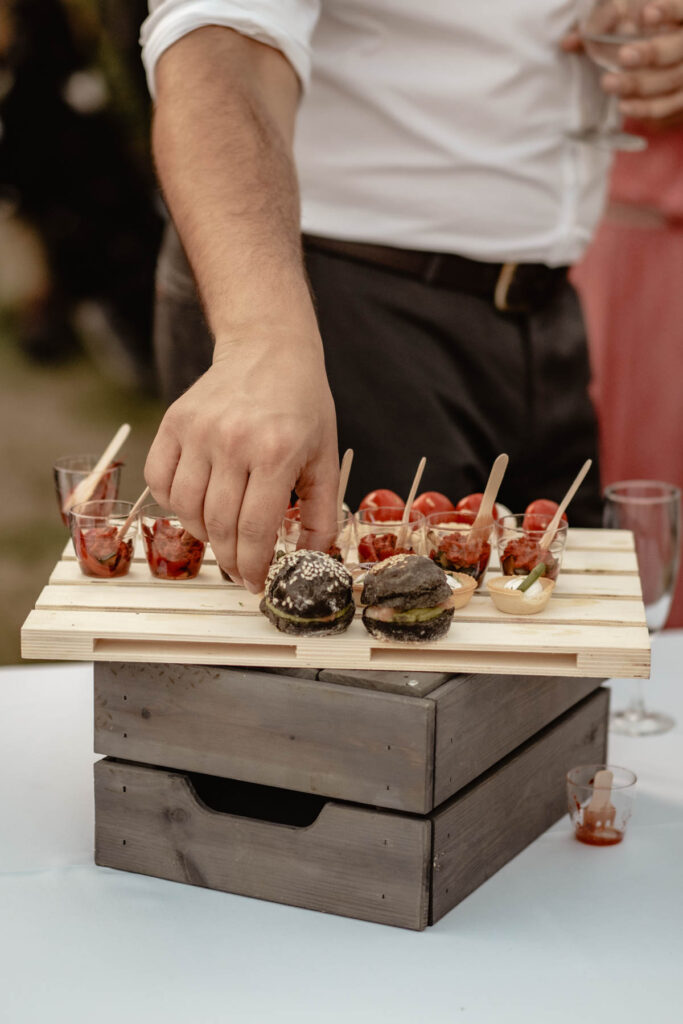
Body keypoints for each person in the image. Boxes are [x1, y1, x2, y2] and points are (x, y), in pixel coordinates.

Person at [139, 0, 683, 592]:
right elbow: (217, 42)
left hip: (546, 311)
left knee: (554, 656)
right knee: (367, 662)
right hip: (337, 308)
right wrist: (263, 338)